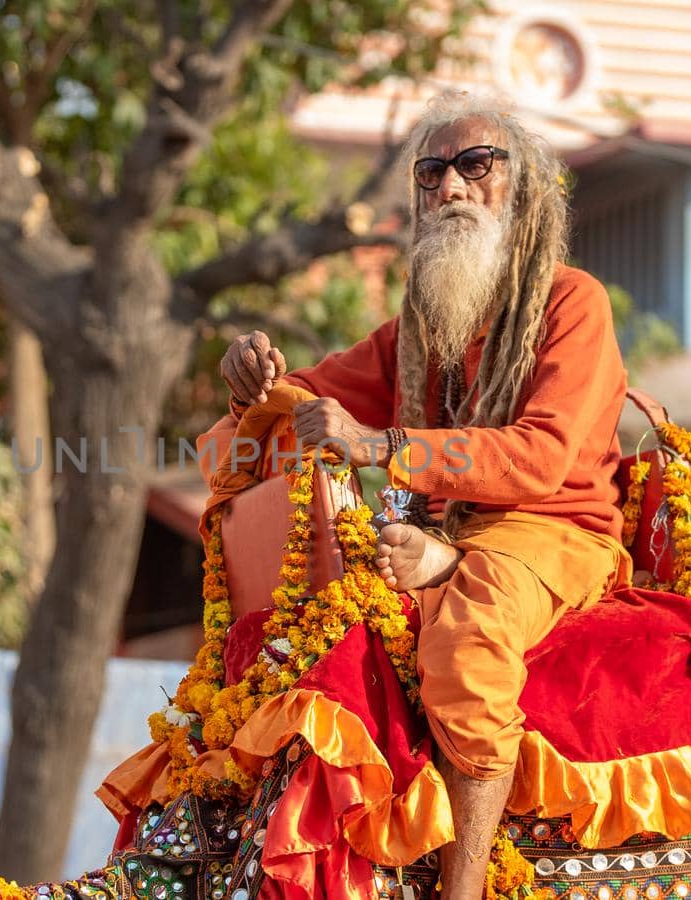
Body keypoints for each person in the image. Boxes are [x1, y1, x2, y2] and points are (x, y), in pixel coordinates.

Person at [208, 89, 632, 898]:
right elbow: (307, 399)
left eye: (477, 165)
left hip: (554, 533)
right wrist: (254, 387)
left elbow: (541, 458)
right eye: (431, 172)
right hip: (443, 532)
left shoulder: (573, 301)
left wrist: (381, 449)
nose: (451, 187)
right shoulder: (420, 329)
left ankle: (461, 888)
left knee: (467, 631)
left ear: (525, 190)